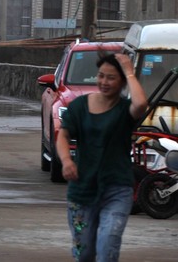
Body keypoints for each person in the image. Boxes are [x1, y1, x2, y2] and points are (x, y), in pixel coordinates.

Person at [56, 52, 147, 261]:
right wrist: (67, 161)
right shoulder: (79, 106)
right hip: (82, 191)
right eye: (101, 76)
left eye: (111, 77)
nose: (104, 82)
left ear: (123, 82)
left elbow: (141, 104)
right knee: (84, 252)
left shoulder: (125, 110)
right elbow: (63, 135)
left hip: (117, 189)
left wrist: (130, 72)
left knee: (108, 245)